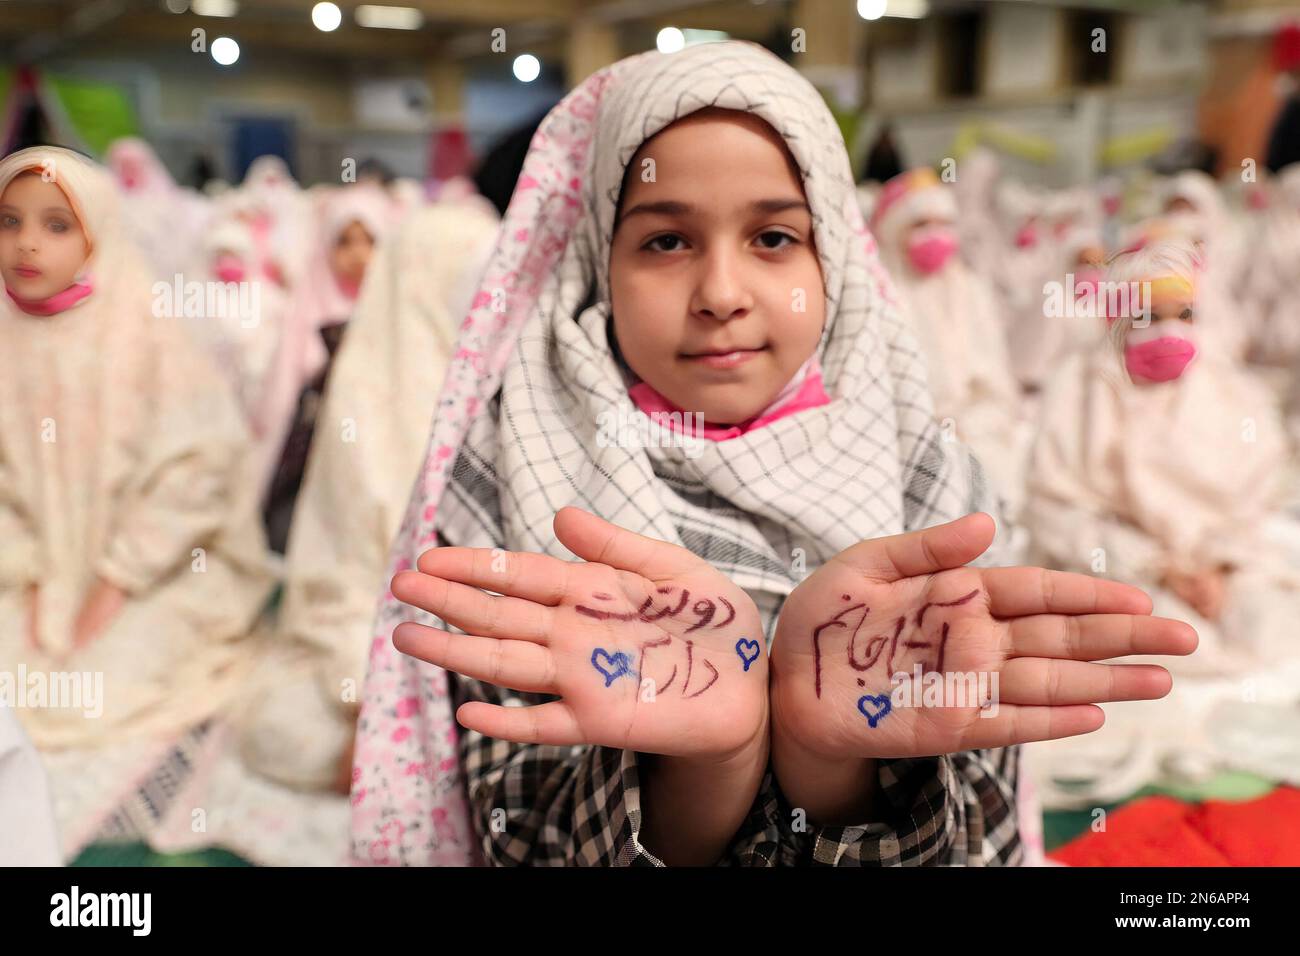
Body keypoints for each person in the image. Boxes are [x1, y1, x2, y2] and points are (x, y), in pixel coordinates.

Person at [349, 42, 1195, 866]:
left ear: (834, 255)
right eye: (666, 242)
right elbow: (510, 821)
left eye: (775, 239)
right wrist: (709, 762)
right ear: (598, 263)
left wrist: (821, 758)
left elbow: (978, 815)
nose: (722, 294)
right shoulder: (510, 462)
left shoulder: (930, 479)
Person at [0, 146, 274, 848]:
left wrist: (113, 582)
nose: (27, 243)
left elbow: (200, 468)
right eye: (9, 222)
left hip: (157, 575)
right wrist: (30, 576)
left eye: (57, 225)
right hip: (23, 575)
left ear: (98, 233)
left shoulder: (146, 326)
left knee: (106, 684)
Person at [1023, 239, 1300, 804]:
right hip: (1125, 567)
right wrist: (1160, 567)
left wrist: (1220, 566)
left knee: (1271, 626)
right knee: (1172, 643)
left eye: (1184, 315)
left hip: (1225, 566)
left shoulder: (1228, 392)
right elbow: (1058, 511)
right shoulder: (1081, 391)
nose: (1168, 332)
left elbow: (1255, 496)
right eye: (1148, 317)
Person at [239, 195, 500, 792]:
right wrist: (376, 690)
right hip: (373, 635)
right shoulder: (367, 392)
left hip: (489, 639)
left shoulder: (502, 381)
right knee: (282, 730)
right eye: (477, 281)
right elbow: (343, 570)